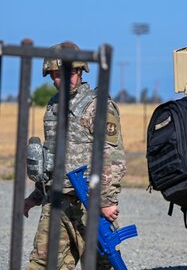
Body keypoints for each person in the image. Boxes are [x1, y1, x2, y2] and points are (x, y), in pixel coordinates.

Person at [23, 41, 126, 270]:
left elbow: (113, 157)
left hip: (89, 204)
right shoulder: (53, 107)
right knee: (41, 263)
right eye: (58, 74)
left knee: (101, 264)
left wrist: (107, 201)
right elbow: (50, 158)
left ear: (80, 71)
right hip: (56, 201)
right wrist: (37, 196)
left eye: (71, 72)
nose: (66, 78)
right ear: (51, 76)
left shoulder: (97, 106)